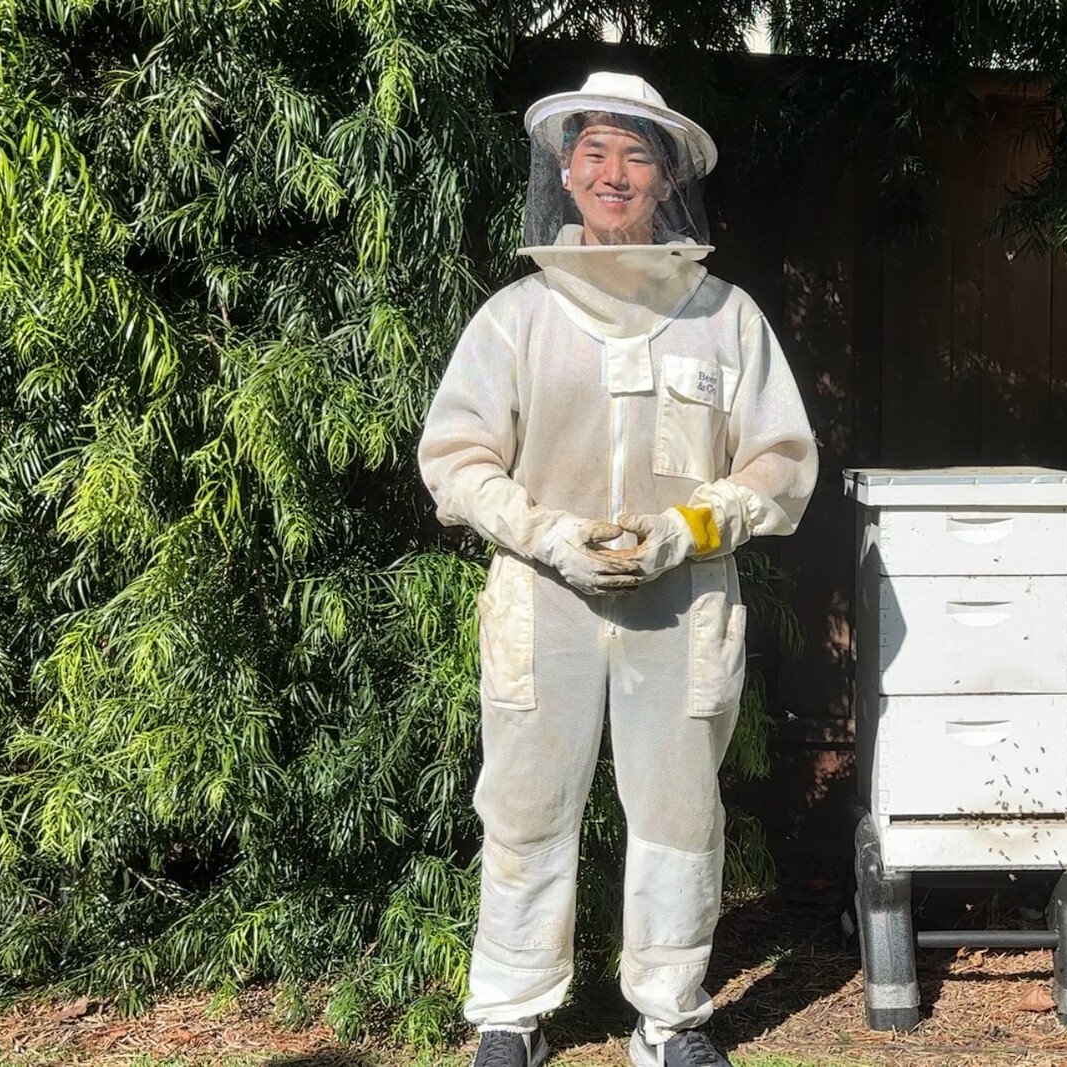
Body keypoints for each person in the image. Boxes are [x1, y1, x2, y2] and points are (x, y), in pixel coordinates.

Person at [418, 72, 819, 1067]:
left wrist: (690, 525)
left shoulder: (723, 316)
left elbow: (780, 460)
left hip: (681, 607)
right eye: (594, 152)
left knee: (681, 809)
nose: (613, 172)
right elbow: (457, 458)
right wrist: (547, 533)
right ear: (565, 171)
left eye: (636, 155)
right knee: (522, 804)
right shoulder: (516, 317)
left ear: (665, 177)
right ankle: (508, 1013)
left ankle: (671, 1016)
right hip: (540, 597)